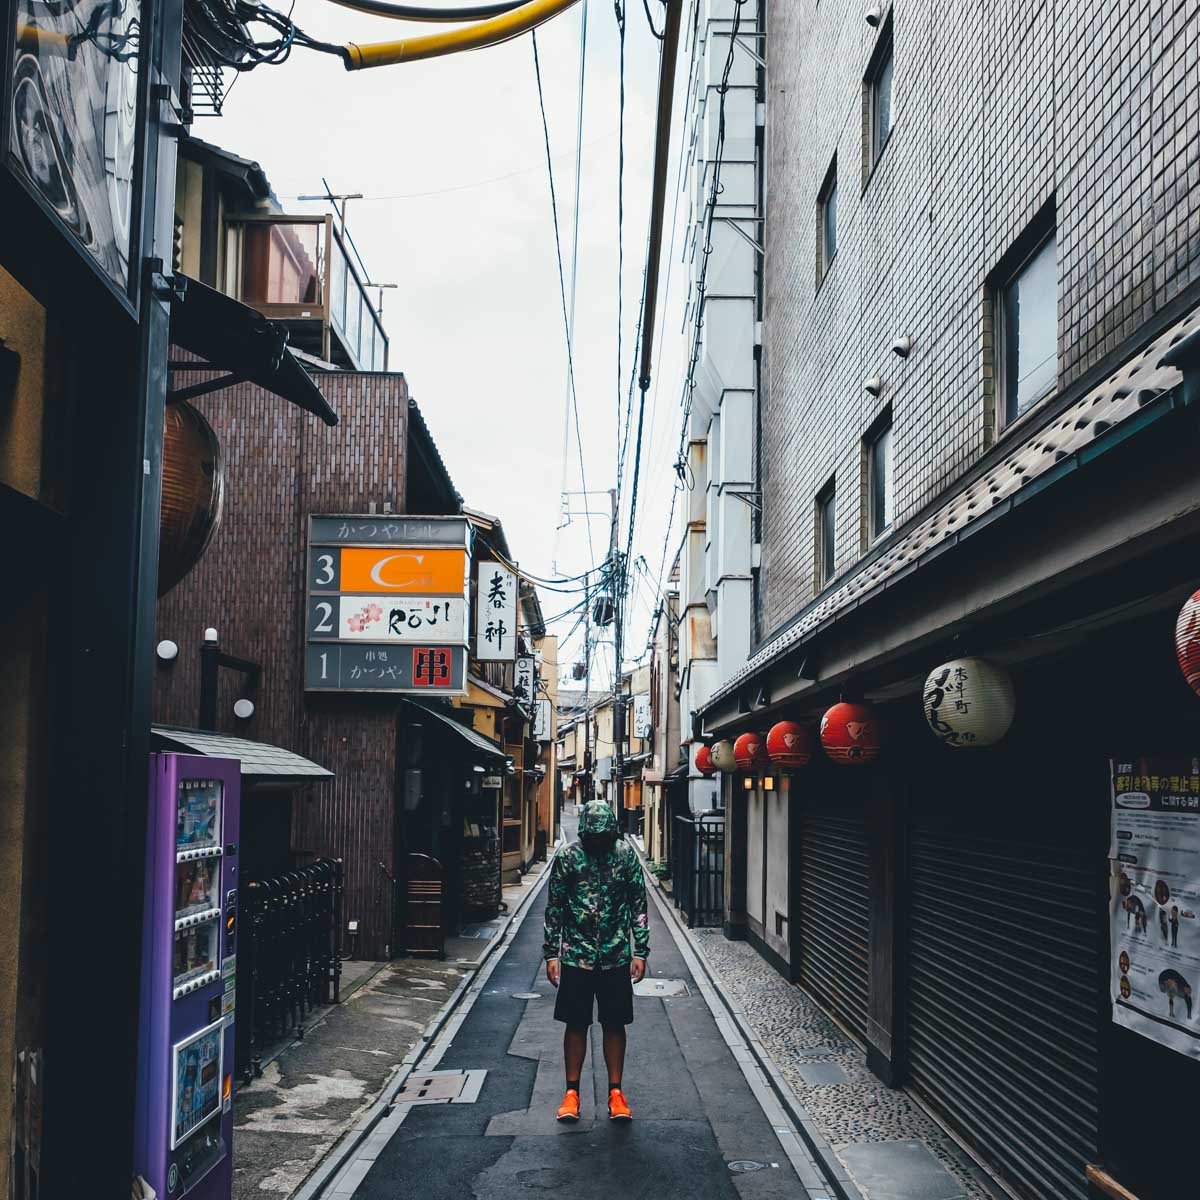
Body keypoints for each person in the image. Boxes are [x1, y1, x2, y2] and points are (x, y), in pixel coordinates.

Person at [543, 799, 649, 1123]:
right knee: (575, 1022)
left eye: (605, 836)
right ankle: (571, 1092)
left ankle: (616, 1092)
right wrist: (551, 953)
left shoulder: (625, 854)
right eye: (595, 836)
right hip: (576, 954)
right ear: (586, 831)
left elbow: (638, 903)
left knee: (615, 1023)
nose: (600, 842)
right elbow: (555, 906)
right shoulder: (569, 856)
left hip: (616, 954)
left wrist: (640, 951)